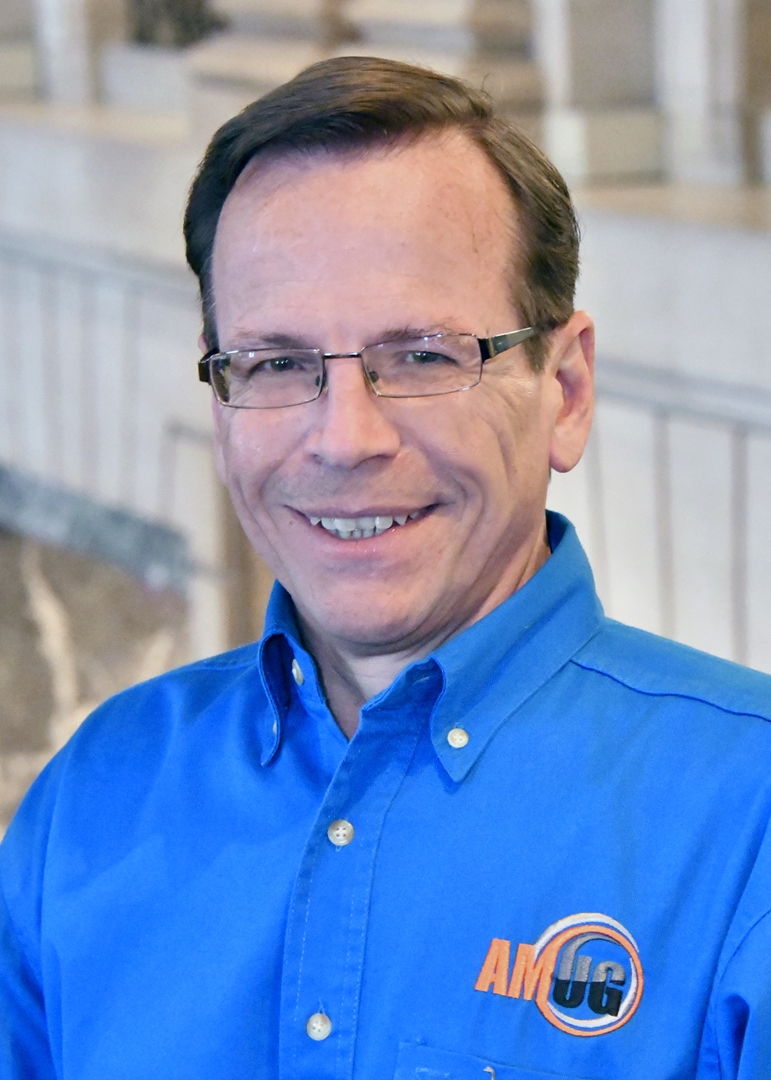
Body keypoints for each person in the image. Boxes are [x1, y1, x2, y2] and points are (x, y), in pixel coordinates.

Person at [2, 56, 771, 1080]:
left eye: (421, 356)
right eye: (277, 363)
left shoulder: (748, 819)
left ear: (566, 390)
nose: (345, 439)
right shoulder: (97, 794)